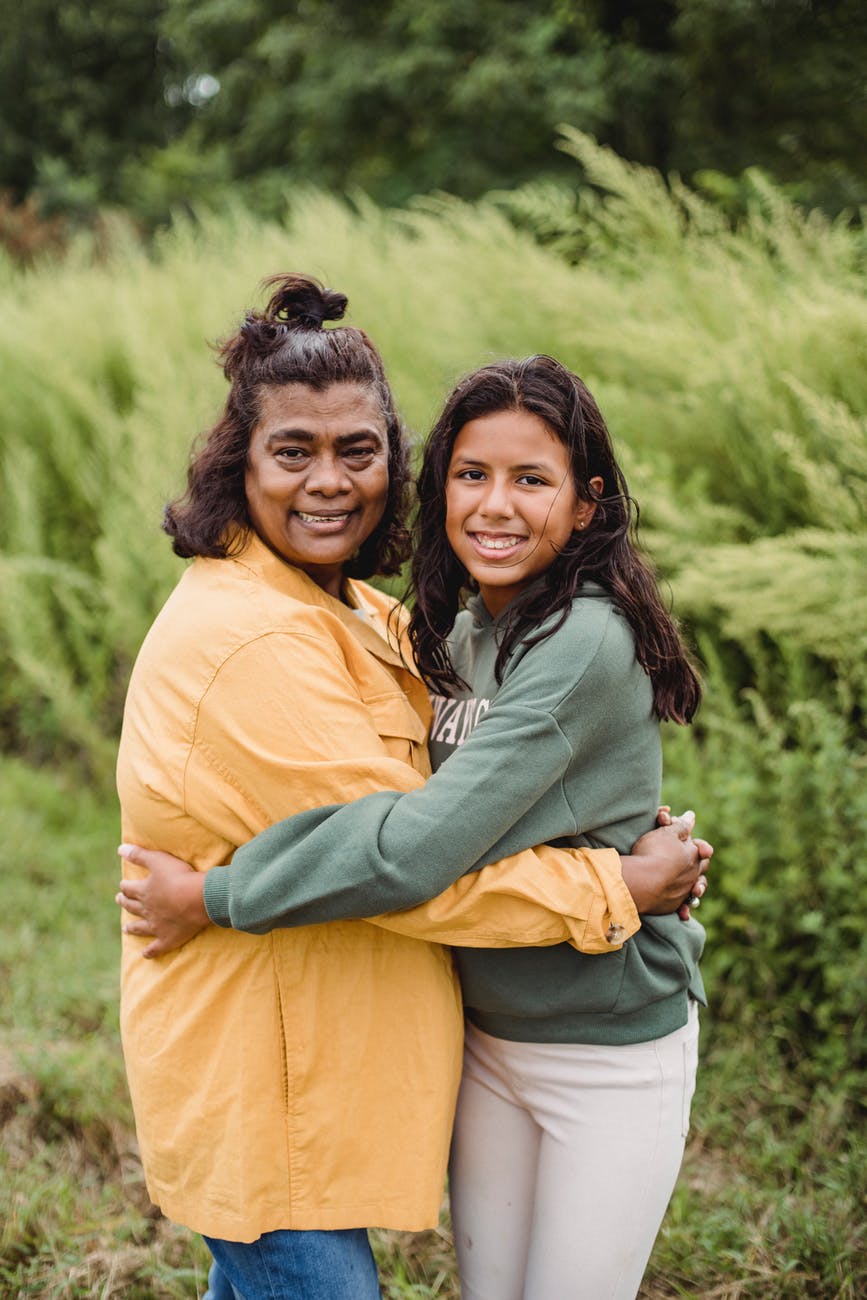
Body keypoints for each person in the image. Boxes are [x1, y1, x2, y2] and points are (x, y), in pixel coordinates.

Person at [115, 277, 709, 1300]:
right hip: (274, 1082)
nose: (330, 481)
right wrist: (615, 887)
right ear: (238, 463)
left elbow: (449, 785)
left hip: (414, 1057)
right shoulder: (259, 637)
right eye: (292, 451)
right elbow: (415, 859)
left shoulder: (358, 609)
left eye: (359, 450)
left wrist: (603, 820)